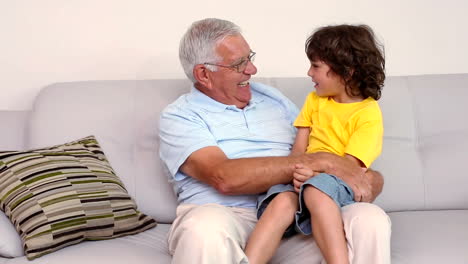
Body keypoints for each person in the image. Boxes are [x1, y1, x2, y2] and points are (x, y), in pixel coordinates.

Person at [159, 18, 391, 264]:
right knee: (203, 227)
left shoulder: (273, 99)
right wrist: (323, 162)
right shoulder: (180, 116)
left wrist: (370, 180)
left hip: (299, 209)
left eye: (250, 58)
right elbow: (223, 177)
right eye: (239, 63)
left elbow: (327, 148)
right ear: (204, 74)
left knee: (368, 219)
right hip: (229, 217)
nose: (252, 70)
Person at [244, 24, 386, 264]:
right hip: (304, 175)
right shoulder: (314, 100)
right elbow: (298, 152)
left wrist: (312, 175)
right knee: (280, 202)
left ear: (347, 72)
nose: (310, 73)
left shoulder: (368, 113)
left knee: (317, 192)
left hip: (335, 181)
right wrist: (299, 172)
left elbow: (348, 167)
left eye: (316, 66)